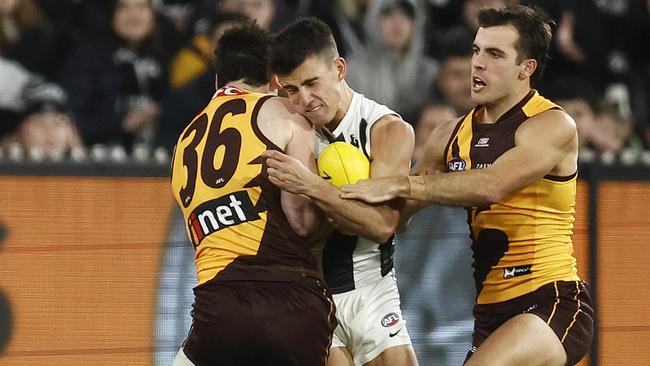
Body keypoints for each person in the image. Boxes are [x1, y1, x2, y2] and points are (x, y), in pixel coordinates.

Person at [339, 5, 595, 366]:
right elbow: (390, 222)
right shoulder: (448, 136)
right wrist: (332, 195)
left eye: (494, 54)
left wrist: (401, 184)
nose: (478, 63)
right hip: (490, 314)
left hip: (551, 301)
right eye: (476, 50)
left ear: (527, 68)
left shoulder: (551, 125)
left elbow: (491, 185)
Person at [170, 21, 336, 366]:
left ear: (218, 80)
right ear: (274, 79)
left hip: (219, 309)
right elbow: (303, 221)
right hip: (291, 300)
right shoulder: (284, 112)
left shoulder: (184, 141)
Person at [264, 17, 418, 366]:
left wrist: (312, 186)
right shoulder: (288, 133)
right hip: (311, 293)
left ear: (339, 68)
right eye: (291, 90)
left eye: (312, 83)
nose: (304, 99)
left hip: (371, 289)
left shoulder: (387, 129)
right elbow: (298, 230)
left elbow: (380, 225)